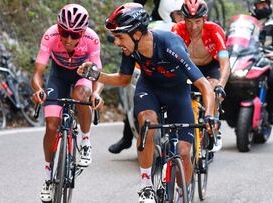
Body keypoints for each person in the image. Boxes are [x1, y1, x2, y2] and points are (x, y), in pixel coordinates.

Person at [77, 3, 216, 202]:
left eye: (120, 37)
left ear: (136, 34)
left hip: (177, 93)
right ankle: (146, 186)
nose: (116, 43)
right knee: (147, 122)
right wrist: (98, 75)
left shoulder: (171, 45)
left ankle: (182, 192)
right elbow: (124, 79)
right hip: (149, 89)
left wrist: (210, 115)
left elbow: (204, 85)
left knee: (185, 152)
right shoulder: (130, 50)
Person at [30, 4, 104, 202]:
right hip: (58, 76)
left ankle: (86, 140)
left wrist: (96, 93)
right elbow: (38, 72)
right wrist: (38, 90)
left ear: (83, 32)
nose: (69, 39)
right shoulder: (50, 36)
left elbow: (98, 74)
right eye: (65, 33)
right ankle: (47, 178)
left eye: (75, 35)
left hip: (83, 75)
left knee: (81, 96)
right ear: (58, 28)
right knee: (51, 125)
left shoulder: (91, 39)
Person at [109, 0, 185, 154]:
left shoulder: (190, 24)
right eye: (179, 15)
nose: (182, 19)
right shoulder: (154, 27)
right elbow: (136, 5)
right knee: (139, 94)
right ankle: (128, 135)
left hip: (179, 71)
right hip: (148, 31)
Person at [171, 0, 230, 152]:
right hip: (187, 67)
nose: (193, 26)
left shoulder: (214, 30)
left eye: (197, 21)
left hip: (209, 67)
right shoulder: (177, 29)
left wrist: (220, 86)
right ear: (183, 19)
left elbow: (224, 63)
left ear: (204, 18)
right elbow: (170, 60)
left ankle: (214, 126)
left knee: (215, 89)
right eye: (189, 21)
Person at [249, 0, 273, 124]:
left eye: (265, 4)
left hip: (268, 57)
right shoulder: (246, 21)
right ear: (255, 6)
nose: (263, 7)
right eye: (260, 4)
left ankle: (272, 112)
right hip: (248, 56)